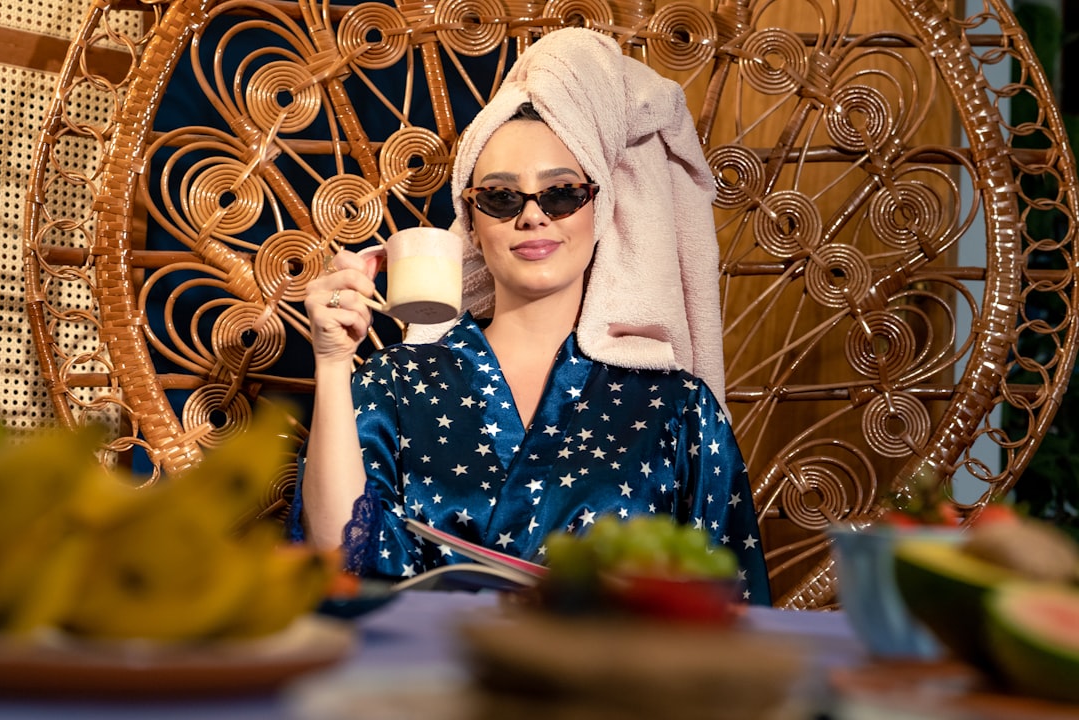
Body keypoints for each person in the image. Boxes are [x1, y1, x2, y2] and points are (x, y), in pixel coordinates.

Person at [289, 28, 771, 604]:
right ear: (471, 222)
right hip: (418, 681)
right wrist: (332, 361)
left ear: (601, 208)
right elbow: (334, 556)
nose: (533, 216)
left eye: (562, 192)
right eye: (500, 197)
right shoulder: (395, 381)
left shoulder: (676, 406)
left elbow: (730, 610)